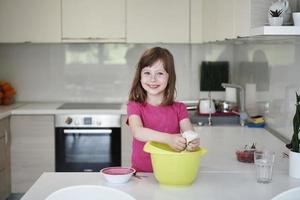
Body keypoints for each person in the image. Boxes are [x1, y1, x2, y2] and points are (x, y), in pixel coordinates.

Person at [127, 47, 200, 172]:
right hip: (143, 175)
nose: (153, 79)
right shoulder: (134, 106)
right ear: (140, 76)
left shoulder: (180, 108)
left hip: (172, 172)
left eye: (159, 73)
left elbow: (189, 133)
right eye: (147, 73)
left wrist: (192, 141)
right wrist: (169, 139)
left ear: (169, 77)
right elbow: (138, 132)